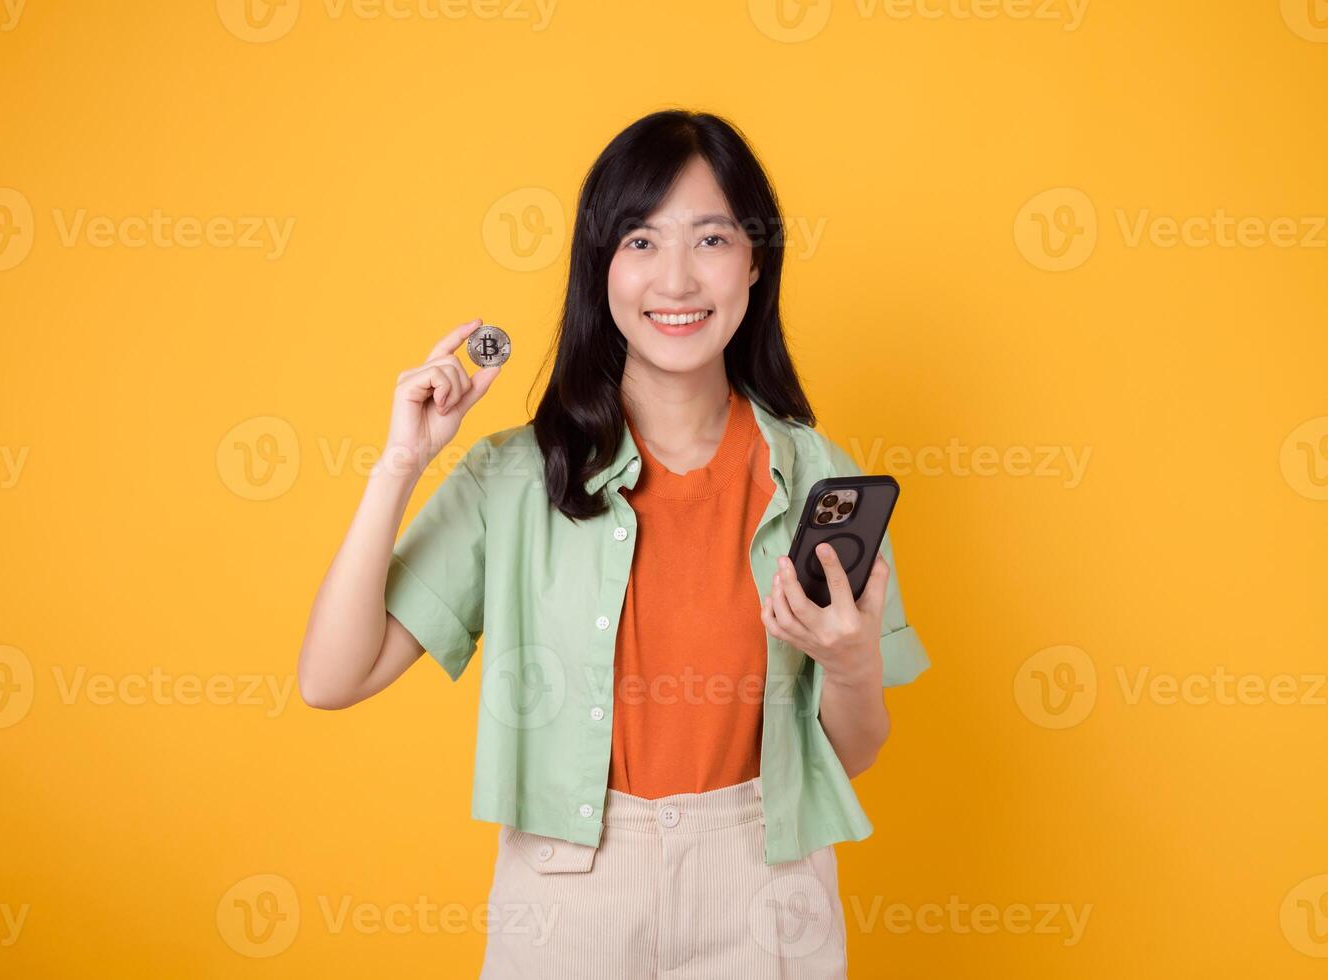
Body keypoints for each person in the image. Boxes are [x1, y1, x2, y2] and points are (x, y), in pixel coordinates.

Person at [298, 108, 929, 979]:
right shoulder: (515, 477)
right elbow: (331, 678)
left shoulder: (818, 475)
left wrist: (853, 664)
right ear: (600, 268)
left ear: (755, 263)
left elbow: (851, 754)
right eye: (640, 240)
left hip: (764, 891)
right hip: (569, 894)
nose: (676, 279)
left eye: (711, 239)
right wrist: (402, 461)